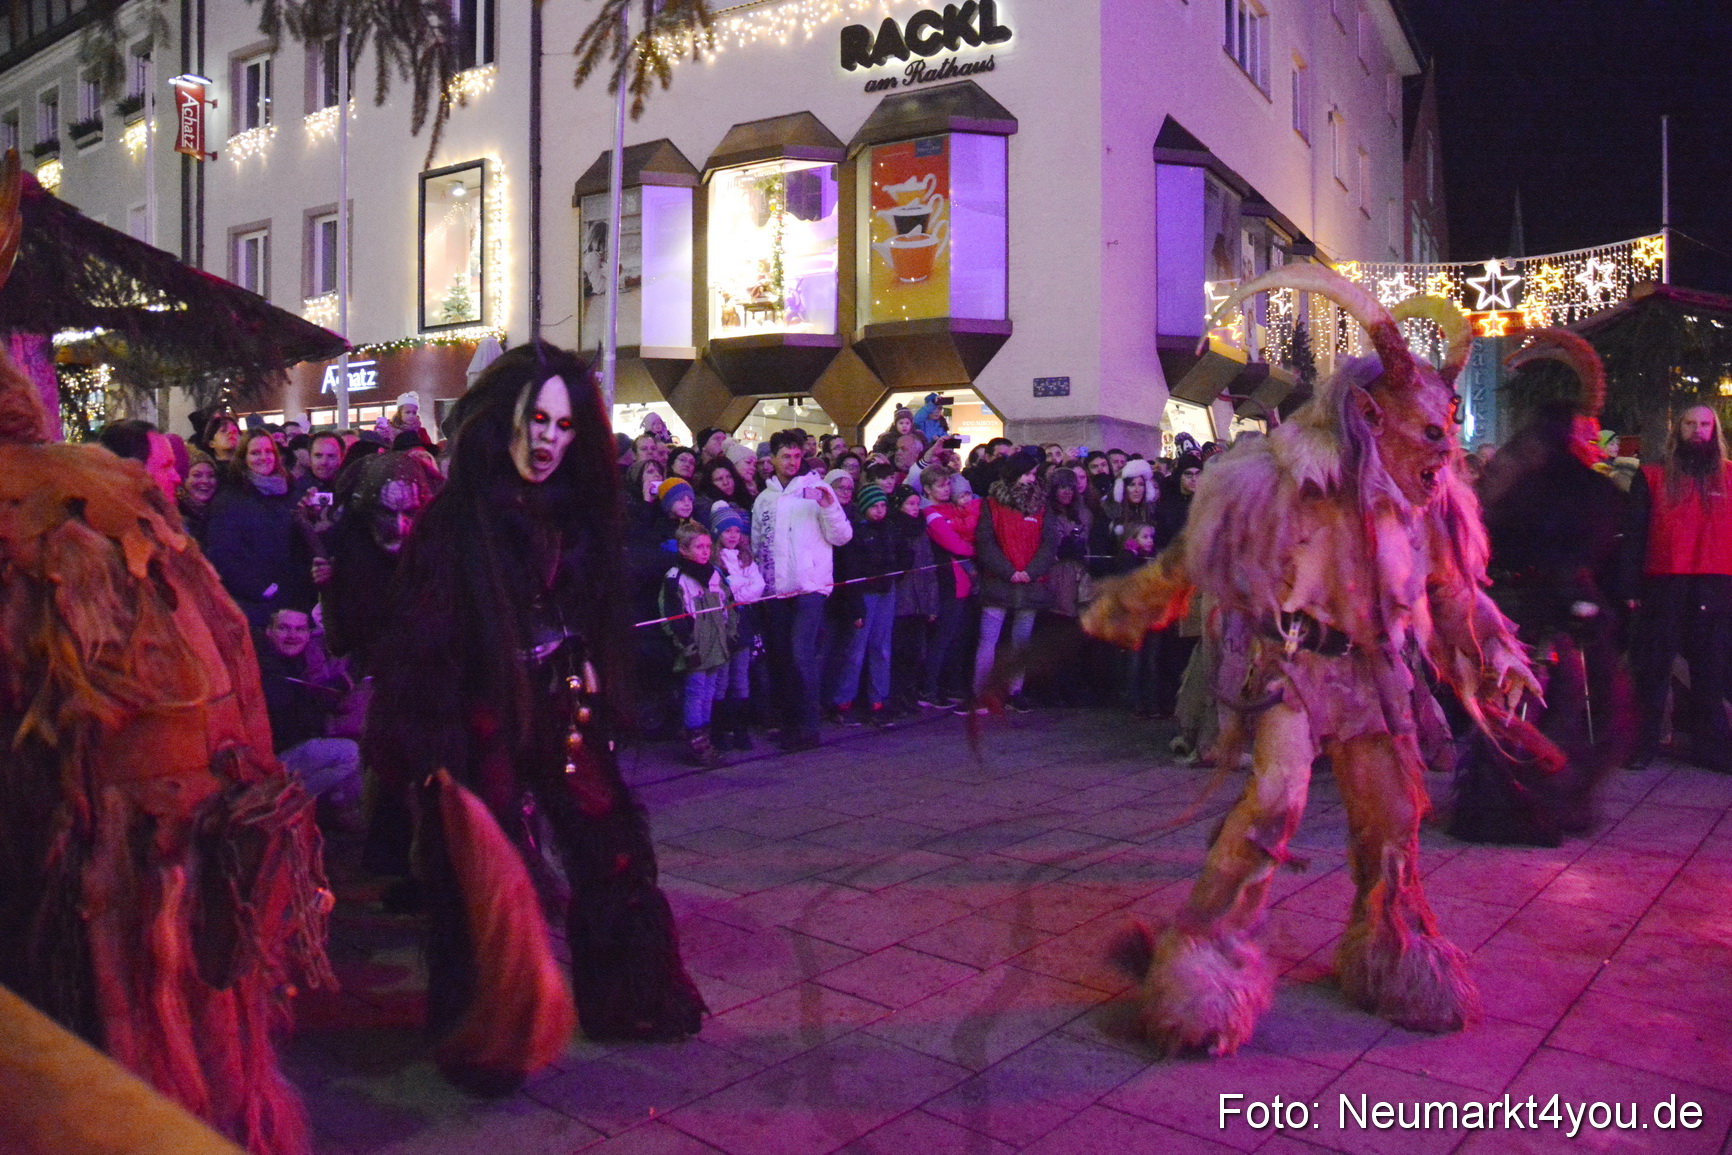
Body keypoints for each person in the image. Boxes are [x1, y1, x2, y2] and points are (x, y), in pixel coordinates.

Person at [0, 330, 332, 1153]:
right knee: (194, 1070)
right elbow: (231, 655)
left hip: (89, 866)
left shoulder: (86, 495)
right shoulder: (116, 488)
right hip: (191, 841)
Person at [363, 343, 705, 1092]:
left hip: (560, 706)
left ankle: (630, 997)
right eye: (534, 420)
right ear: (503, 420)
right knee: (485, 875)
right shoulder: (454, 527)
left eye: (562, 424)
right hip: (478, 717)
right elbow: (422, 647)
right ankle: (487, 1032)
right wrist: (432, 751)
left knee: (611, 842)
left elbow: (585, 607)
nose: (547, 439)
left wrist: (585, 657)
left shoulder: (576, 517)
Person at [1623, 403, 1732, 771]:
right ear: (1678, 429)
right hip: (1664, 580)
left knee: (1711, 669)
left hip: (1716, 582)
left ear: (1714, 430)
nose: (1697, 430)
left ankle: (1710, 748)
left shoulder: (1730, 477)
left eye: (1704, 424)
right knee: (1653, 668)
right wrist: (1630, 587)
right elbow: (1635, 535)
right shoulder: (1652, 476)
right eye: (1690, 423)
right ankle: (1644, 745)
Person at [752, 428, 852, 751]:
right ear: (772, 459)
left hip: (810, 586)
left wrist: (829, 505)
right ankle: (790, 722)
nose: (792, 461)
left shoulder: (817, 489)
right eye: (786, 456)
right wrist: (761, 584)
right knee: (782, 656)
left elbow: (842, 536)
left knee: (801, 653)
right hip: (776, 589)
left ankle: (809, 726)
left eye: (797, 456)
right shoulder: (764, 499)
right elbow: (758, 544)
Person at [967, 449, 1059, 713]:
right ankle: (980, 692)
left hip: (1030, 581)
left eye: (1033, 474)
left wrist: (1031, 571)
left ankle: (1015, 691)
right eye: (1027, 474)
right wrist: (1009, 571)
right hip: (999, 580)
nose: (1031, 479)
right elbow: (986, 542)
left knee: (1021, 641)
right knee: (989, 640)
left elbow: (1049, 543)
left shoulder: (1042, 506)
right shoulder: (992, 505)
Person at [256, 607, 363, 825]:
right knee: (351, 754)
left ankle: (330, 813)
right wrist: (335, 689)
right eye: (284, 628)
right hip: (272, 758)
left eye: (299, 629)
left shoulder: (300, 662)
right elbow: (288, 710)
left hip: (294, 749)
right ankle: (280, 805)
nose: (292, 635)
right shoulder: (265, 665)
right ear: (269, 632)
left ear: (308, 634)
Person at [205, 429, 315, 627]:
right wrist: (263, 590)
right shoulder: (230, 500)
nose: (264, 457)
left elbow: (298, 549)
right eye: (255, 453)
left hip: (292, 602)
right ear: (243, 458)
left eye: (268, 451)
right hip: (255, 605)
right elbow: (222, 555)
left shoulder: (289, 494)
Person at [660, 521, 738, 765]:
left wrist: (730, 635)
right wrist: (688, 647)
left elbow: (730, 605)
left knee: (709, 692)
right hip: (695, 649)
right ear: (684, 549)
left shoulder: (715, 574)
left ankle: (705, 737)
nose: (705, 551)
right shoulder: (676, 578)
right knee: (695, 692)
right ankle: (696, 742)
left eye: (707, 546)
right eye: (699, 547)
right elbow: (671, 618)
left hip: (717, 645)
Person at [828, 482, 902, 726]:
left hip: (885, 591)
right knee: (856, 651)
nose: (880, 511)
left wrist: (899, 567)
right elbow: (851, 571)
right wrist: (855, 607)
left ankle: (878, 700)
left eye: (883, 506)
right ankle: (843, 701)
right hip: (864, 594)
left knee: (882, 648)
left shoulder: (889, 529)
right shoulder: (856, 532)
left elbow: (899, 556)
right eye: (874, 506)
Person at [921, 464, 978, 708]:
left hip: (963, 582)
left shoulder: (952, 508)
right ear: (927, 489)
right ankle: (928, 689)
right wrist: (975, 549)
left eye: (948, 484)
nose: (946, 489)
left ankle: (951, 686)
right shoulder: (930, 512)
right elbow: (955, 544)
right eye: (940, 485)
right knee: (942, 638)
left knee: (958, 637)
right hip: (947, 582)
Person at [710, 502, 764, 750]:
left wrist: (736, 585)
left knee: (741, 677)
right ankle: (720, 731)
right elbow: (723, 591)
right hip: (722, 626)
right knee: (721, 679)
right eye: (727, 530)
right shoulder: (714, 561)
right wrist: (739, 584)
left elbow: (758, 587)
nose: (733, 536)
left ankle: (740, 729)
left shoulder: (746, 558)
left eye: (736, 531)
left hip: (743, 624)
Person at [888, 483, 938, 716]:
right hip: (902, 600)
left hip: (920, 601)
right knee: (898, 652)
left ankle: (910, 695)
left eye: (917, 504)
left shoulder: (921, 530)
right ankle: (895, 697)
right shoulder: (895, 529)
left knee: (915, 653)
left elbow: (930, 568)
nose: (915, 508)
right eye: (910, 504)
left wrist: (931, 605)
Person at [177, 446, 220, 546]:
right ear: (183, 479)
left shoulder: (221, 513)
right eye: (197, 475)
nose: (205, 481)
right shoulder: (175, 513)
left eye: (211, 475)